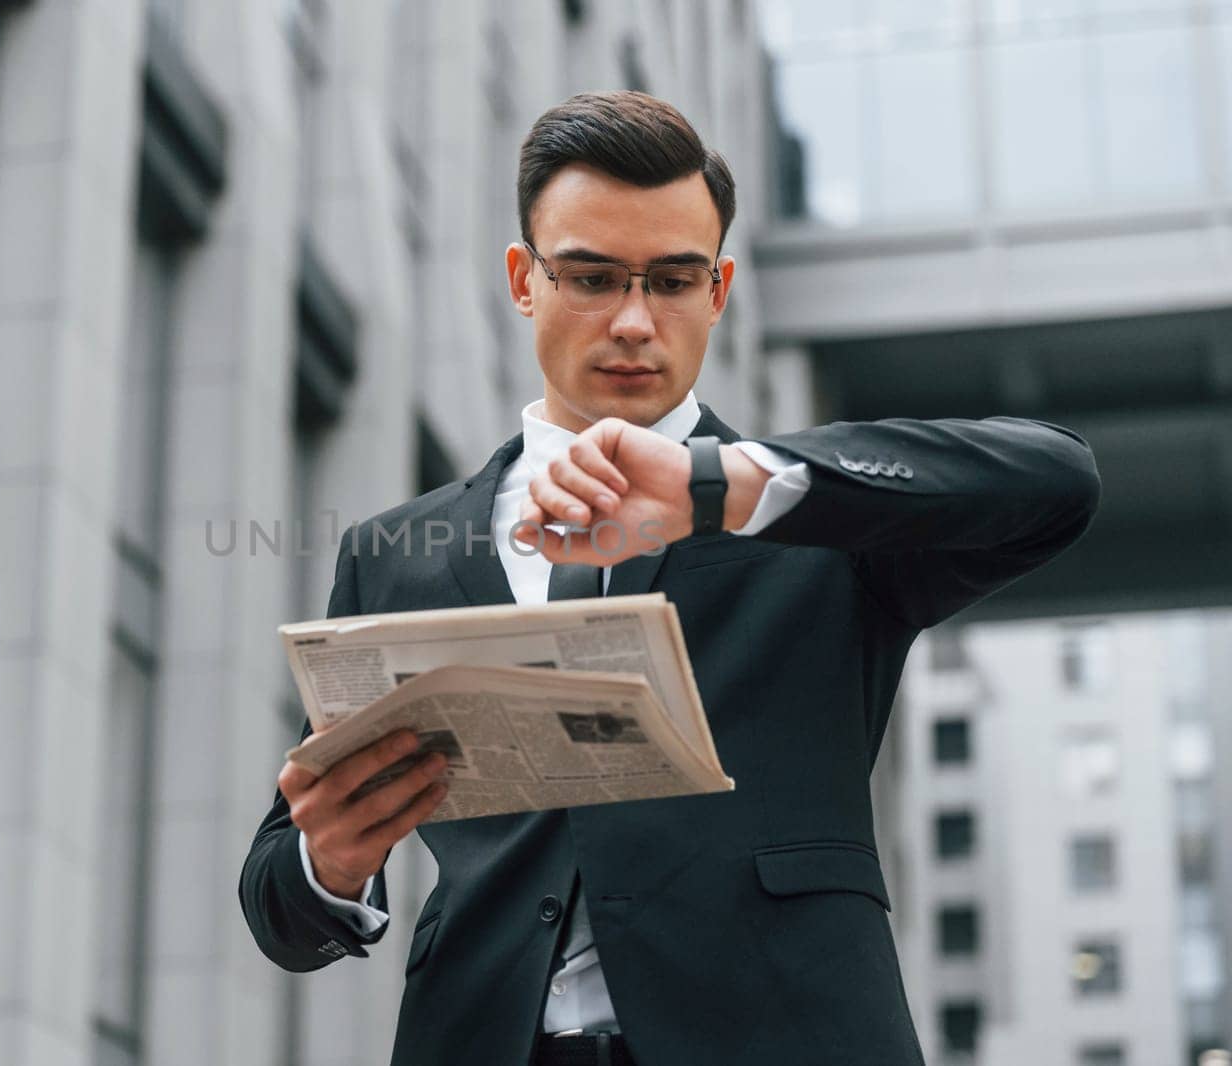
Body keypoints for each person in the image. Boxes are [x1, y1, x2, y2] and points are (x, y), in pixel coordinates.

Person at [239, 90, 1100, 1066]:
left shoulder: (817, 518)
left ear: (718, 290)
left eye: (673, 281)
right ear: (524, 279)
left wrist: (718, 487)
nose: (635, 321)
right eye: (593, 278)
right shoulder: (396, 550)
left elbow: (1057, 481)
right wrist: (331, 862)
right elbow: (277, 894)